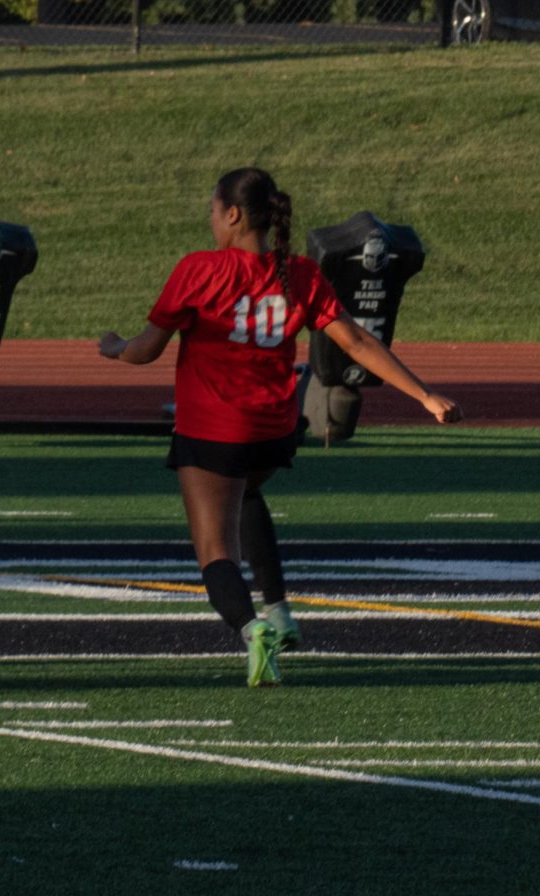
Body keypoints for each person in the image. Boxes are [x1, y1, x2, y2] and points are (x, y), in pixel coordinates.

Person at [98, 167, 461, 687]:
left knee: (215, 551)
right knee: (245, 495)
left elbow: (146, 350)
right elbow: (355, 342)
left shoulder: (199, 269)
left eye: (211, 210)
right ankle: (281, 610)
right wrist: (425, 395)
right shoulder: (300, 275)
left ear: (232, 214)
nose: (210, 220)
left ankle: (252, 629)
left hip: (214, 430)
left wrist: (112, 347)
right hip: (274, 432)